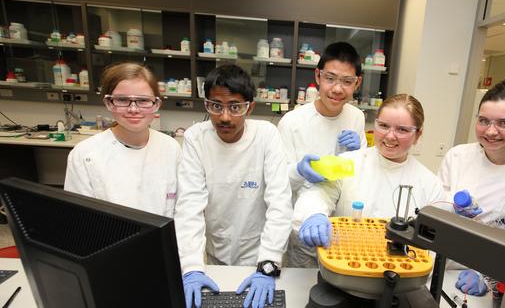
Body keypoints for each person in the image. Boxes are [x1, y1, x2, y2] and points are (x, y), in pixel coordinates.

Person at [174, 64, 292, 308]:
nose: (225, 117)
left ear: (250, 108)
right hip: (213, 256)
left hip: (259, 255)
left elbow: (279, 203)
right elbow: (189, 207)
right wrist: (191, 268)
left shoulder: (266, 135)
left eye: (235, 107)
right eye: (216, 106)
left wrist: (268, 265)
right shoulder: (197, 137)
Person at [292, 94, 444, 259]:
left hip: (400, 273)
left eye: (402, 130)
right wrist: (314, 214)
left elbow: (435, 245)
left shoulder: (430, 184)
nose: (390, 136)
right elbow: (318, 194)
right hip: (345, 266)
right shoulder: (349, 162)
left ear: (418, 135)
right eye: (384, 126)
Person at [438, 77, 505, 296]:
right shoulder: (459, 156)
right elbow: (435, 206)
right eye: (484, 121)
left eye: (504, 123)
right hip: (445, 266)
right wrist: (452, 208)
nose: (491, 131)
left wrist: (489, 277)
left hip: (498, 278)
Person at [278, 42, 367, 267]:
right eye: (330, 78)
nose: (337, 89)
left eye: (347, 81)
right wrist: (299, 171)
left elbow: (362, 174)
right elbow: (278, 185)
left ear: (358, 82)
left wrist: (360, 153)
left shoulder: (356, 117)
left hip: (343, 231)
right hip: (304, 229)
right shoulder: (292, 122)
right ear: (318, 76)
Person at [64, 62, 180, 217]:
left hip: (162, 239)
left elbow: (181, 209)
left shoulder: (171, 148)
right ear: (108, 102)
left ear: (156, 104)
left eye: (143, 100)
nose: (133, 109)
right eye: (123, 100)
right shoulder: (85, 154)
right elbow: (79, 217)